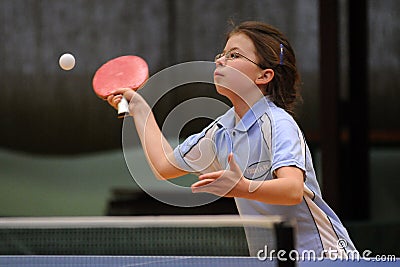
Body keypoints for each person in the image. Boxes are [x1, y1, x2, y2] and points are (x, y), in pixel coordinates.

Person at [107, 21, 356, 257]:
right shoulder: (221, 132)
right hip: (274, 259)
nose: (220, 60)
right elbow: (164, 166)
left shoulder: (278, 124)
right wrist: (140, 107)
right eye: (222, 54)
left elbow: (291, 189)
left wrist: (243, 187)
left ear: (264, 76)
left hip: (325, 257)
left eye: (234, 55)